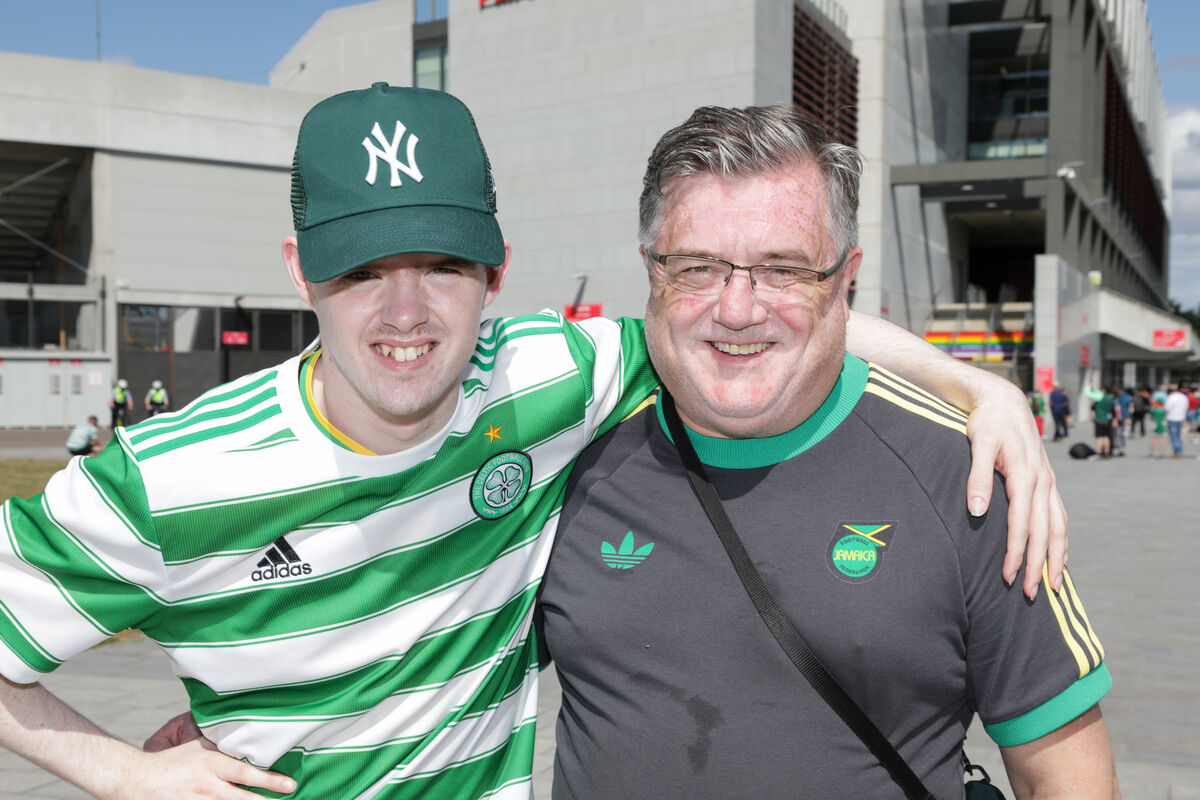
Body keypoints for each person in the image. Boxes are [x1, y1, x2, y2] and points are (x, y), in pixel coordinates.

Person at [0, 86, 1067, 800]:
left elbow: (750, 315)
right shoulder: (171, 475)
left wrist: (977, 384)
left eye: (443, 266)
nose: (404, 311)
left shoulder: (544, 375)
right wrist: (120, 771)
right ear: (297, 268)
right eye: (360, 270)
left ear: (497, 269)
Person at [538, 105, 1116, 799]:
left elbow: (1066, 774)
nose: (737, 308)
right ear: (651, 271)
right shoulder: (564, 456)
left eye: (782, 269)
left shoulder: (969, 477)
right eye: (697, 267)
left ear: (846, 278)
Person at [1086, 383, 1114, 458]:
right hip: (1108, 420)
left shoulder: (1099, 398)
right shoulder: (1110, 398)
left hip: (1099, 420)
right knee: (1106, 436)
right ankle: (1107, 452)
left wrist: (1088, 387)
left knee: (1100, 437)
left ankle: (1099, 452)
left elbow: (1089, 394)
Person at [1164, 384, 1189, 457]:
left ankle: (1177, 452)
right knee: (1178, 435)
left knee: (1174, 436)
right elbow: (1186, 407)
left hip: (1172, 418)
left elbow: (1167, 409)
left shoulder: (1171, 397)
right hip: (1181, 418)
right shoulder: (1183, 397)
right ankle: (1179, 450)